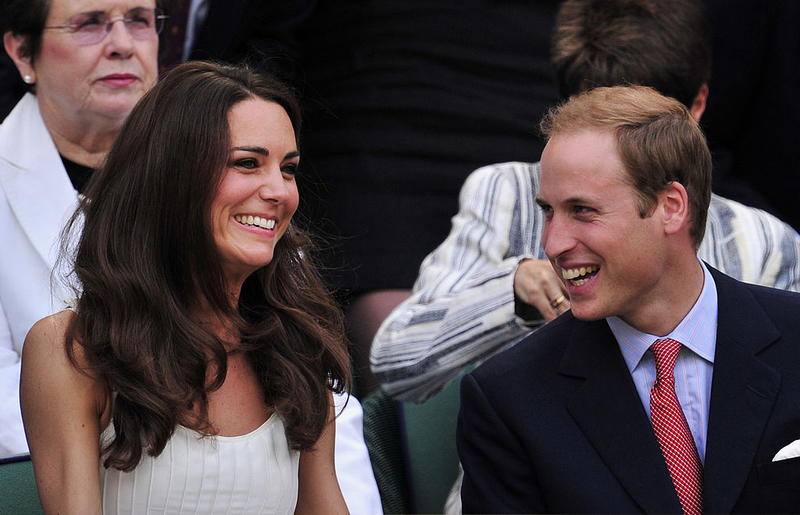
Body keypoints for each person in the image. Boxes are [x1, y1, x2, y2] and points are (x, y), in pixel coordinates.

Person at [371, 0, 800, 404]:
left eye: (638, 126)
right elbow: (394, 365)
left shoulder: (763, 242)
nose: (556, 242)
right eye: (592, 111)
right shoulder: (506, 192)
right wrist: (510, 296)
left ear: (696, 106)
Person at [21, 61, 352, 514]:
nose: (279, 190)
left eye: (288, 168)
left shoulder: (297, 347)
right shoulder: (74, 349)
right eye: (248, 163)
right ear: (171, 178)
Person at [457, 84, 800, 514]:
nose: (553, 243)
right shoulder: (509, 398)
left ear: (671, 207)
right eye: (548, 210)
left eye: (583, 210)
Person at [298, 0, 562, 397]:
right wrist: (511, 292)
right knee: (393, 391)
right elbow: (396, 358)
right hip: (379, 118)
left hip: (536, 102)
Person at [0, 0, 163, 457]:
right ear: (21, 52)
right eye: (90, 23)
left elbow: (309, 387)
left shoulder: (229, 174)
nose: (123, 45)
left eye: (139, 20)